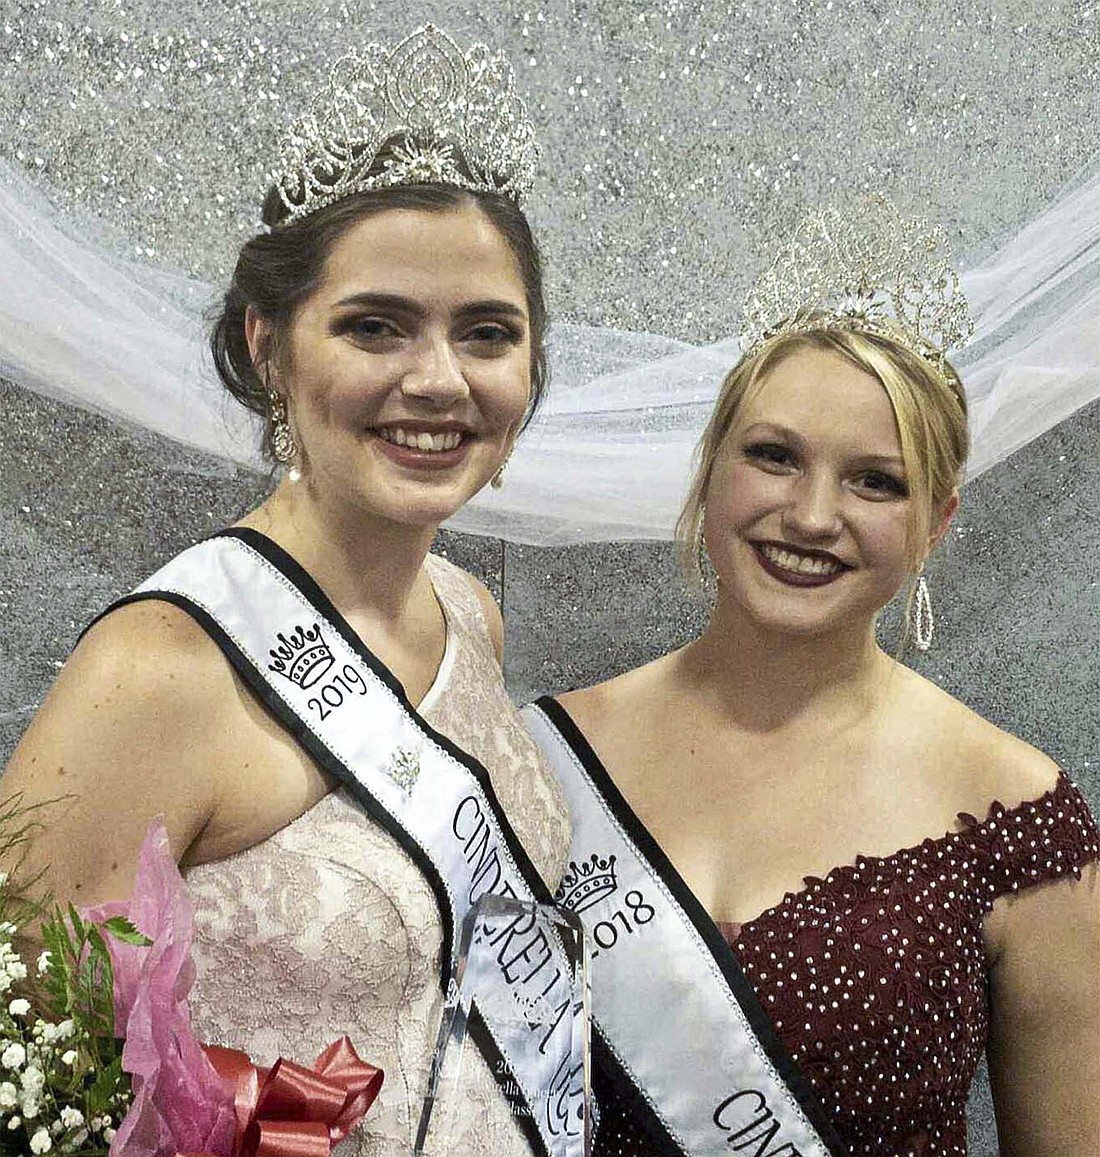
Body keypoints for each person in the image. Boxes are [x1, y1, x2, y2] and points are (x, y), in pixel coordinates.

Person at [1, 25, 574, 1155]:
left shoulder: (468, 613)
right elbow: (25, 1077)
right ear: (270, 345)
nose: (438, 380)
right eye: (374, 326)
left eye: (487, 334)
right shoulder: (159, 671)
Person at [524, 198, 1100, 1156]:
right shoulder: (537, 758)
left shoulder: (1018, 817)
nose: (812, 513)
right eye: (773, 456)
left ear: (938, 522)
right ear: (711, 472)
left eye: (876, 480)